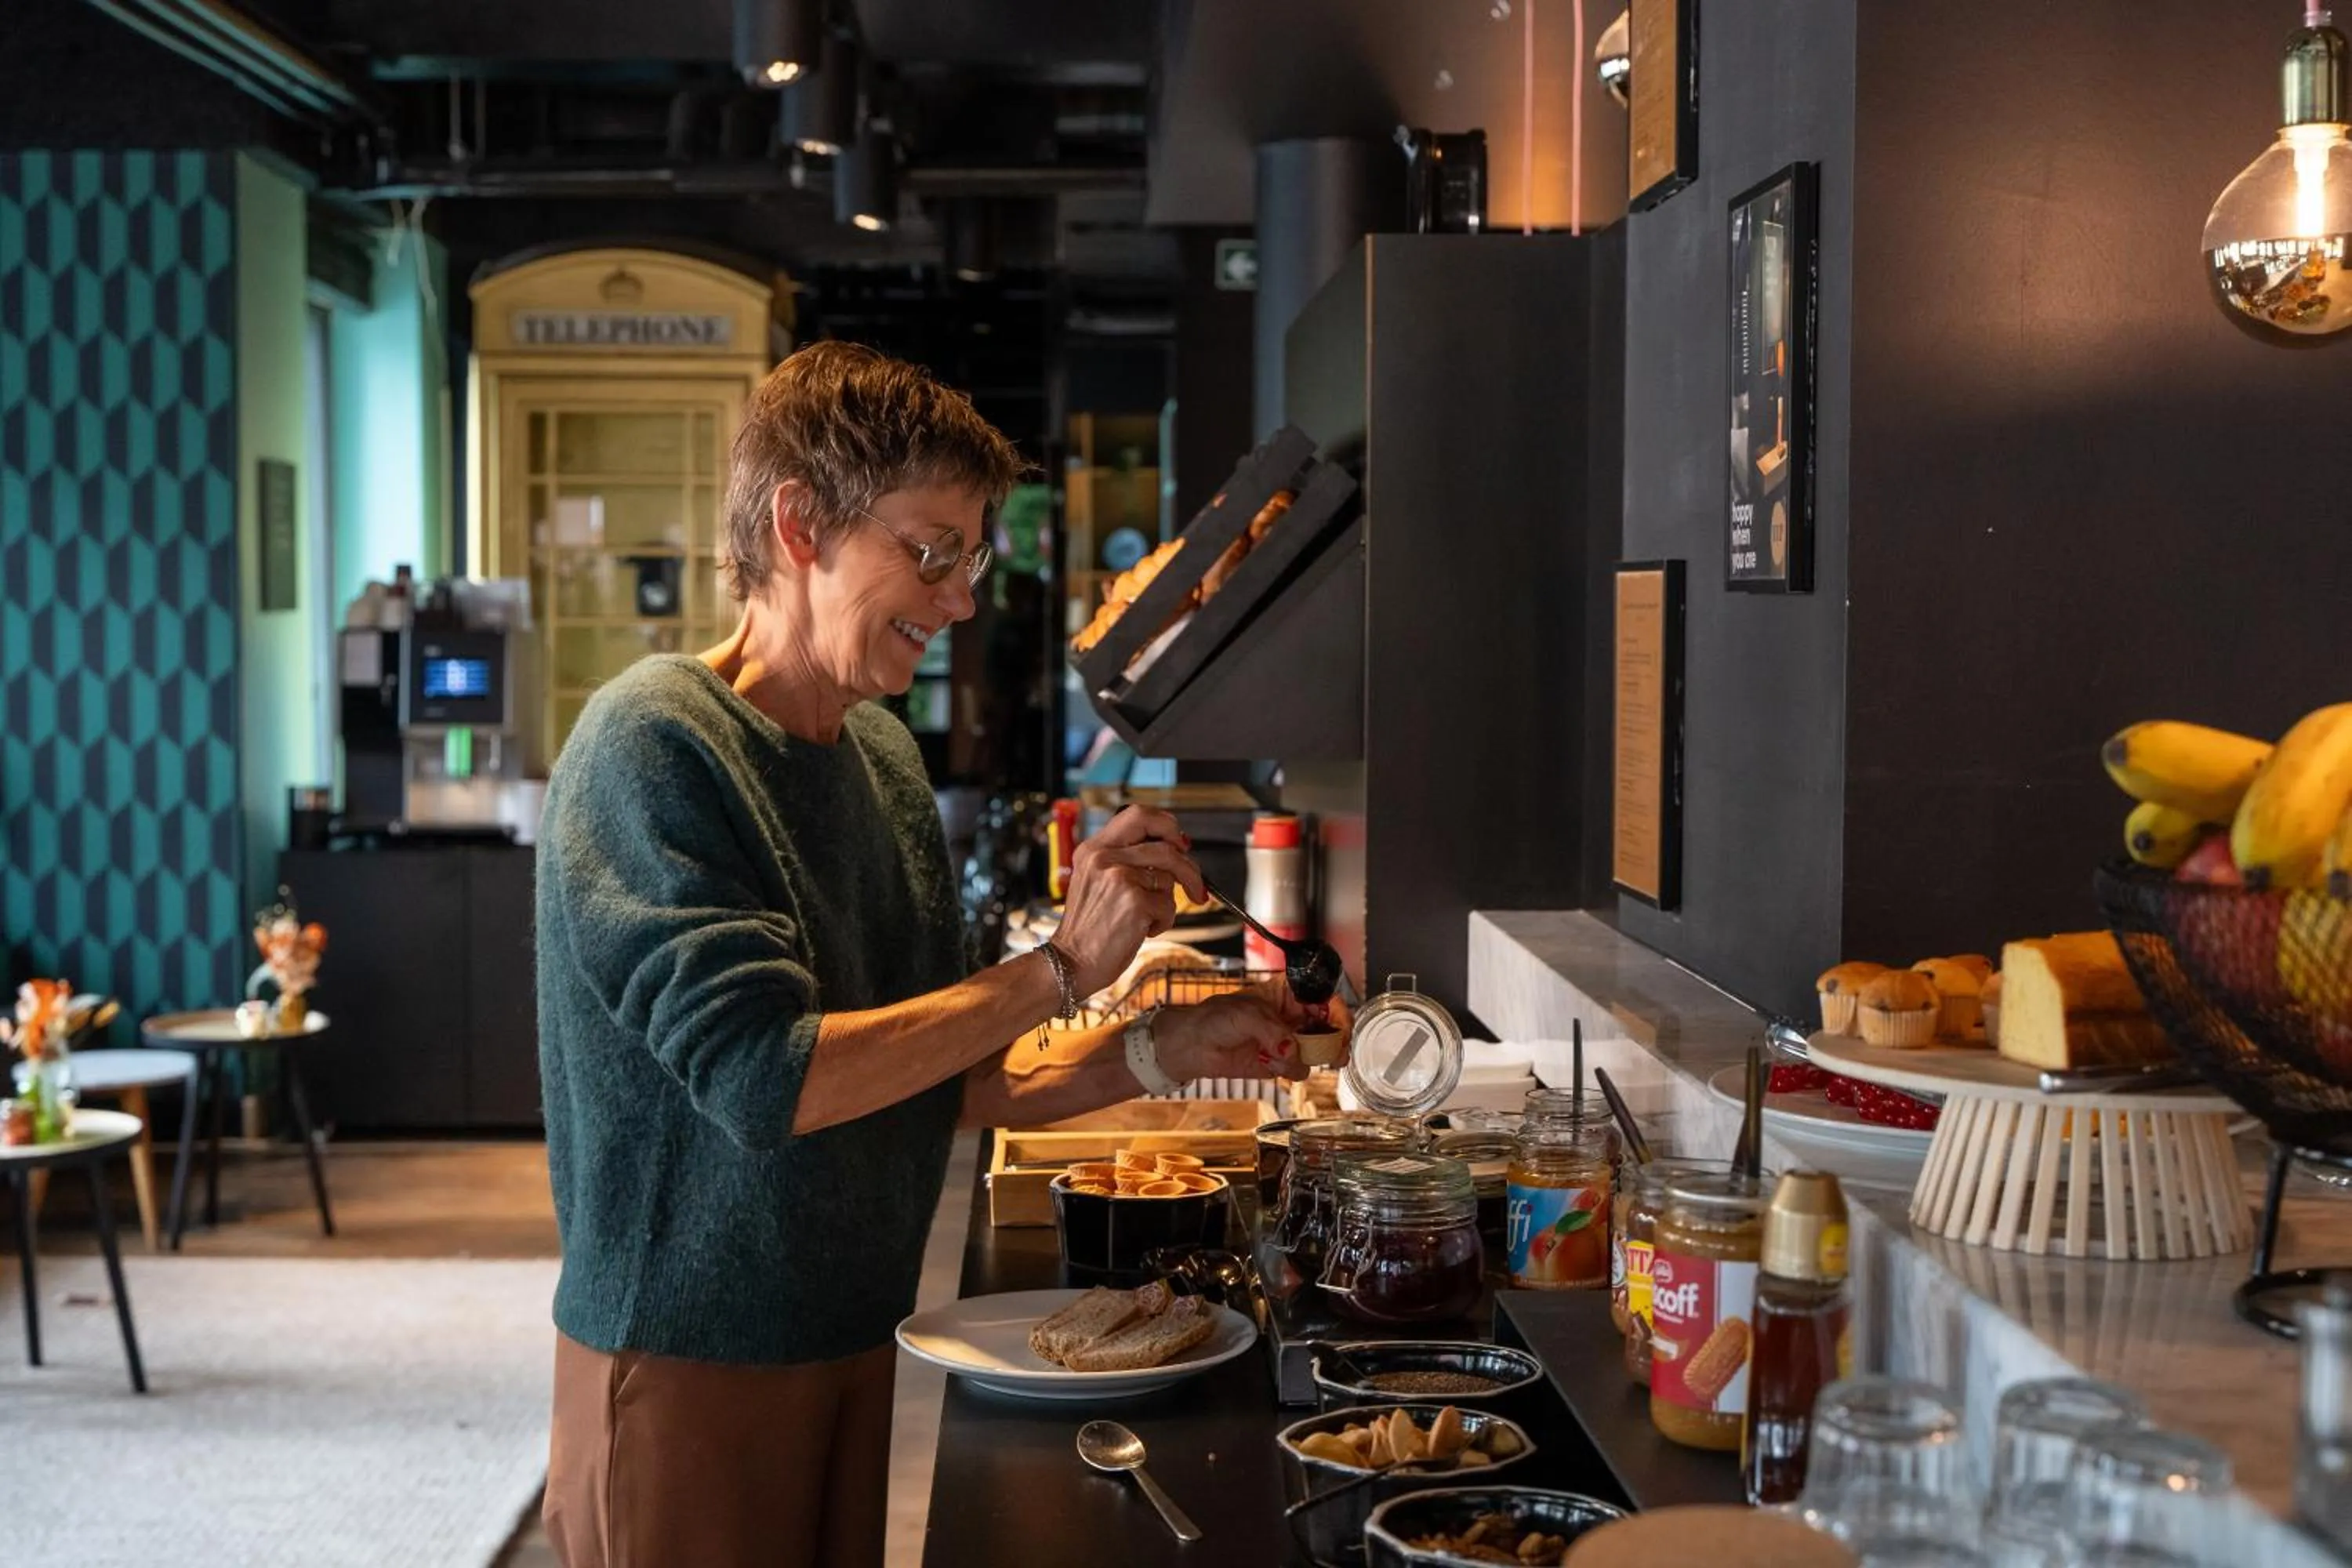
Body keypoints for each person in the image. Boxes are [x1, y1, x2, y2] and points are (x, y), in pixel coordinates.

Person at [534, 340, 1308, 1568]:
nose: (956, 600)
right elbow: (767, 1080)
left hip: (857, 1337)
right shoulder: (653, 745)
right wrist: (1060, 968)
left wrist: (1161, 1045)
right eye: (928, 549)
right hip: (688, 1364)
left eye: (970, 558)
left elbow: (933, 1081)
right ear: (799, 524)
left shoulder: (882, 759)